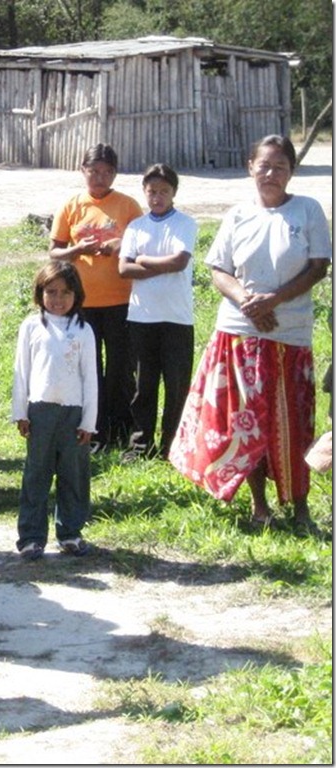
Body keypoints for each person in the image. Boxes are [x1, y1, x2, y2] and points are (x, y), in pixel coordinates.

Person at [170, 135, 331, 536]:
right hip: (240, 333)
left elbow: (318, 267)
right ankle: (259, 507)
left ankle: (299, 506)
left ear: (291, 171)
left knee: (291, 423)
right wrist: (247, 301)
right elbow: (218, 269)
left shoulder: (307, 210)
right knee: (247, 424)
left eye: (280, 166)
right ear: (249, 167)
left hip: (288, 334)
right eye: (264, 165)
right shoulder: (238, 215)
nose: (271, 173)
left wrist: (273, 300)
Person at [49, 143, 142, 450]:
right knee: (87, 368)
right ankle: (92, 430)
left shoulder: (128, 206)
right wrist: (77, 250)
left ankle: (121, 429)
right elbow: (54, 251)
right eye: (94, 171)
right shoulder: (71, 205)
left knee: (120, 369)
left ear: (115, 173)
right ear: (83, 171)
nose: (100, 178)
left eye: (107, 172)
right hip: (83, 303)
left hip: (121, 300)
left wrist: (119, 244)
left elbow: (142, 244)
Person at [11, 262, 97, 561]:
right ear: (39, 293)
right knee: (36, 474)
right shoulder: (31, 326)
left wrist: (89, 420)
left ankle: (70, 532)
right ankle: (31, 537)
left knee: (74, 474)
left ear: (77, 295)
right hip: (40, 412)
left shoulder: (83, 330)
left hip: (73, 414)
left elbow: (91, 378)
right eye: (51, 292)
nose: (58, 299)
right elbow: (21, 371)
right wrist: (20, 412)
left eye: (65, 292)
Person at [117, 164, 199, 462]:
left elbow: (179, 262)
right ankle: (140, 445)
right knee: (144, 386)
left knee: (176, 385)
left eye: (163, 191)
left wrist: (143, 259)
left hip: (176, 318)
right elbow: (124, 269)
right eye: (152, 191)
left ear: (174, 192)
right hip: (142, 317)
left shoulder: (185, 224)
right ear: (145, 192)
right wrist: (150, 265)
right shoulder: (136, 226)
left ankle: (172, 445)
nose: (157, 197)